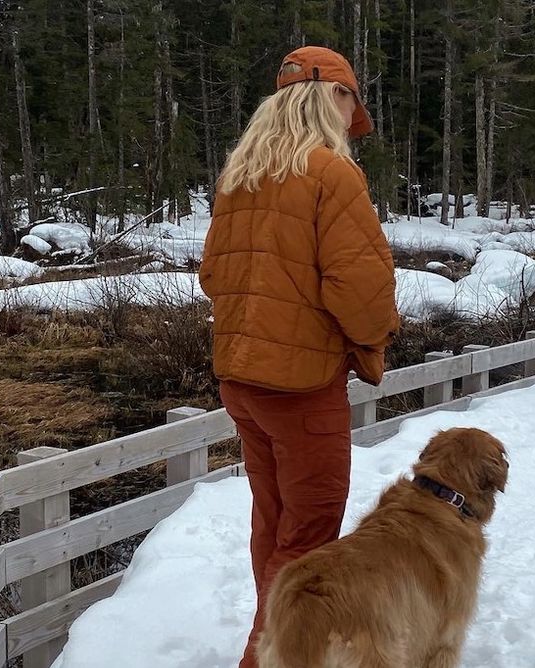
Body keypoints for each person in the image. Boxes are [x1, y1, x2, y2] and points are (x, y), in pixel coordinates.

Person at [198, 45, 400, 668]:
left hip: (242, 383)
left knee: (274, 524)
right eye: (349, 101)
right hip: (302, 390)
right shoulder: (330, 174)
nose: (350, 117)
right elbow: (362, 291)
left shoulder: (241, 178)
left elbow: (213, 277)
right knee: (308, 540)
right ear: (330, 97)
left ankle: (281, 644)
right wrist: (373, 338)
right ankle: (271, 657)